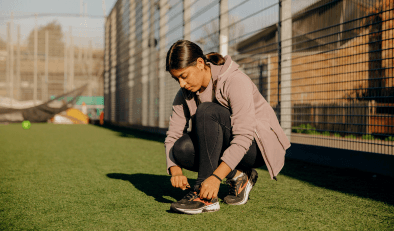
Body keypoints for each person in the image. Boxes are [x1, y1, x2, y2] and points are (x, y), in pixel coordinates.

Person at [165, 40, 291, 214]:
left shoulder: (235, 80)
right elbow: (173, 136)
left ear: (200, 64)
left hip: (257, 146)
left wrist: (215, 178)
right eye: (176, 78)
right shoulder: (185, 94)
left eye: (184, 76)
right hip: (230, 143)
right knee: (181, 149)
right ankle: (239, 176)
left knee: (207, 111)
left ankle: (206, 198)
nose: (181, 84)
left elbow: (244, 136)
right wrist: (175, 170)